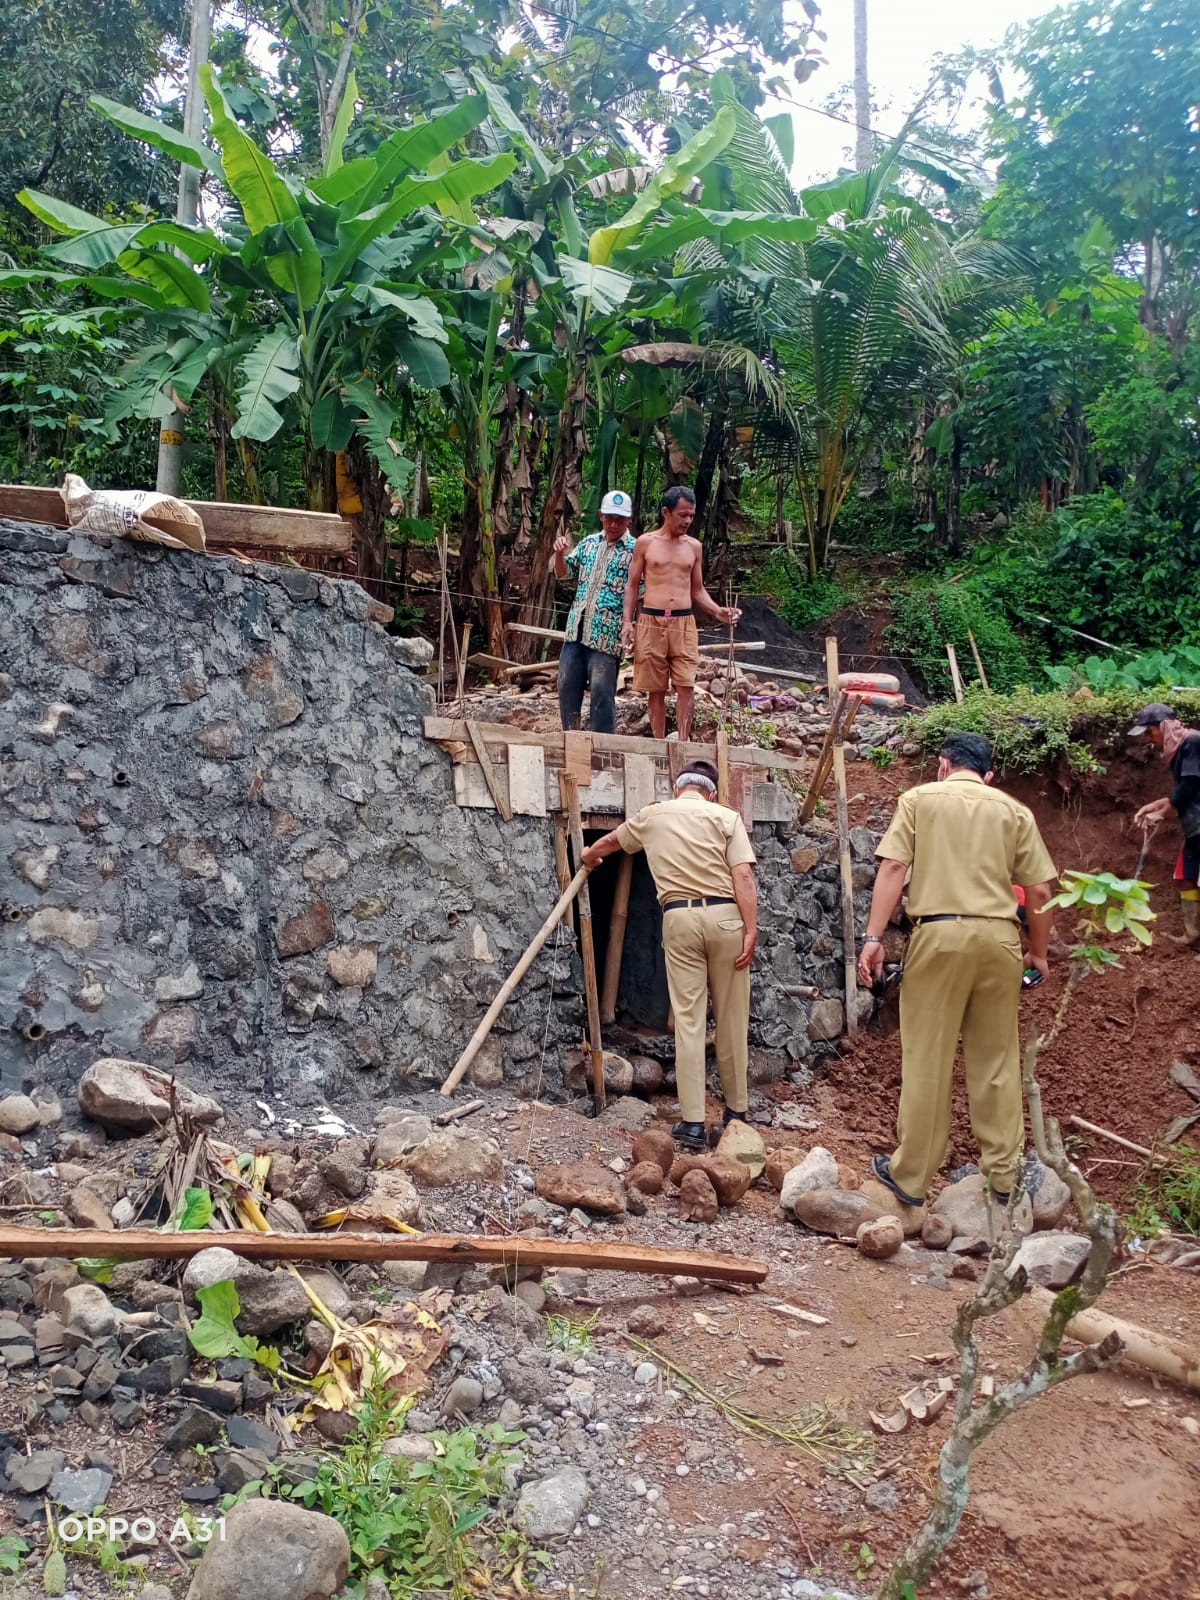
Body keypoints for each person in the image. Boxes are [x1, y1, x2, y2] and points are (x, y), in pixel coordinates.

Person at [857, 731, 1058, 1209]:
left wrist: (873, 938)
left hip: (940, 935)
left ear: (943, 764)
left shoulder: (919, 799)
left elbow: (891, 870)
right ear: (988, 776)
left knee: (928, 1058)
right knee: (996, 1062)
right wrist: (1039, 954)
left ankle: (910, 1177)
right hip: (1000, 940)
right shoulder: (1014, 812)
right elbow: (1043, 893)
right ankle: (1006, 1179)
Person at [581, 759, 757, 1150]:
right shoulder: (725, 817)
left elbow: (611, 843)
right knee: (731, 1018)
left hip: (679, 919)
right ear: (709, 791)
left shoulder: (653, 815)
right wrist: (751, 929)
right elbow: (743, 874)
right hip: (727, 917)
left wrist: (590, 855)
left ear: (678, 788)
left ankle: (692, 1123)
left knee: (689, 1022)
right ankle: (737, 1113)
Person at [620, 486, 741, 742]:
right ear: (666, 512)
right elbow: (632, 585)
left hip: (684, 622)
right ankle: (658, 742)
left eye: (691, 515)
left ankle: (684, 742)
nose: (687, 521)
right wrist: (627, 623)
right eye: (682, 515)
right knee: (655, 687)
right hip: (651, 620)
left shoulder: (694, 547)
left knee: (685, 684)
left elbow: (697, 590)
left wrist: (718, 611)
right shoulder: (646, 543)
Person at [553, 489, 637, 735]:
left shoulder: (635, 550)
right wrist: (559, 554)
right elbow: (564, 574)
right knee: (567, 683)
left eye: (620, 520)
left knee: (602, 690)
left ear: (629, 520)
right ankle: (571, 736)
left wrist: (632, 626)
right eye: (609, 517)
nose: (613, 524)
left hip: (607, 635)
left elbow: (639, 592)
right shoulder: (589, 544)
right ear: (600, 515)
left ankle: (604, 745)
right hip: (575, 630)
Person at [1130, 703, 1200, 951]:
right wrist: (1158, 806)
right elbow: (1187, 793)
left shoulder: (1192, 742)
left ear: (1163, 726)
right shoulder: (1177, 750)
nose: (1149, 739)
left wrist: (1164, 811)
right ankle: (1193, 936)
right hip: (1195, 827)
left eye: (1149, 732)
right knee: (1186, 878)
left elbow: (1190, 786)